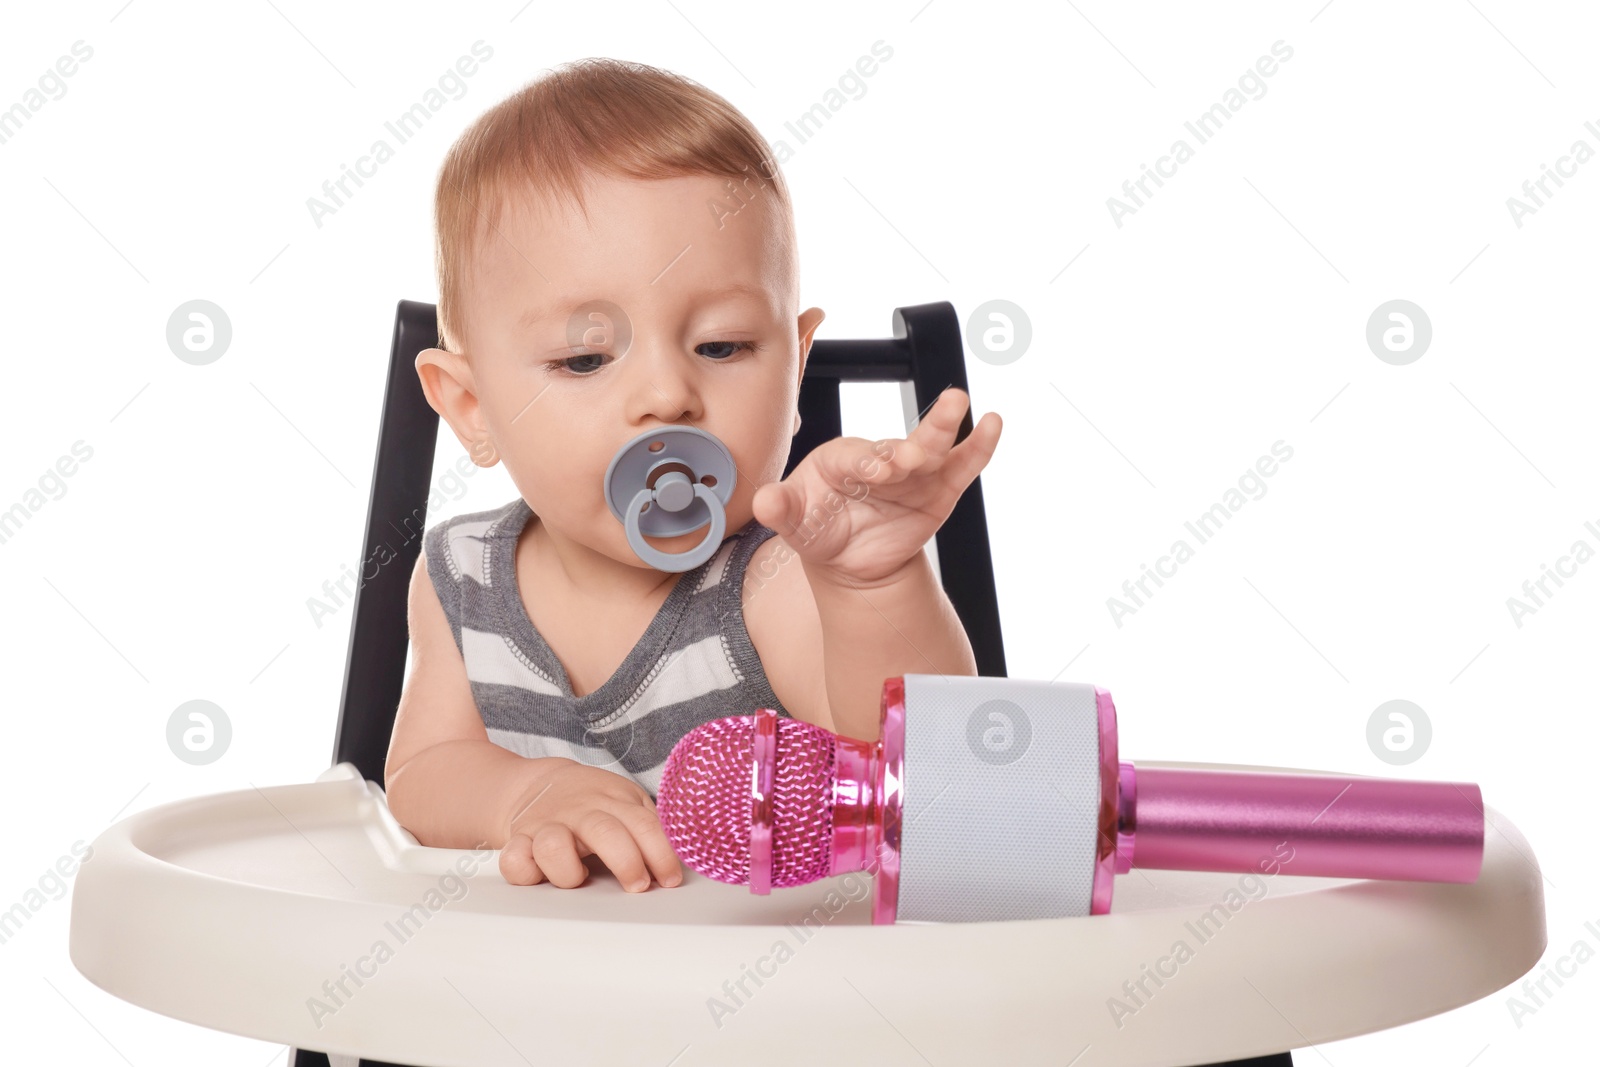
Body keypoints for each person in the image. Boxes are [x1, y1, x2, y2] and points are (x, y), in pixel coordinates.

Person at [383, 56, 1003, 897]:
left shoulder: (774, 579)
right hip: (538, 1002)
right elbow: (422, 771)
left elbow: (929, 779)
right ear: (471, 406)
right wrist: (525, 793)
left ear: (795, 369)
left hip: (770, 1009)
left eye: (722, 346)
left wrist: (873, 585)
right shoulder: (462, 577)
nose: (669, 394)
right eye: (586, 356)